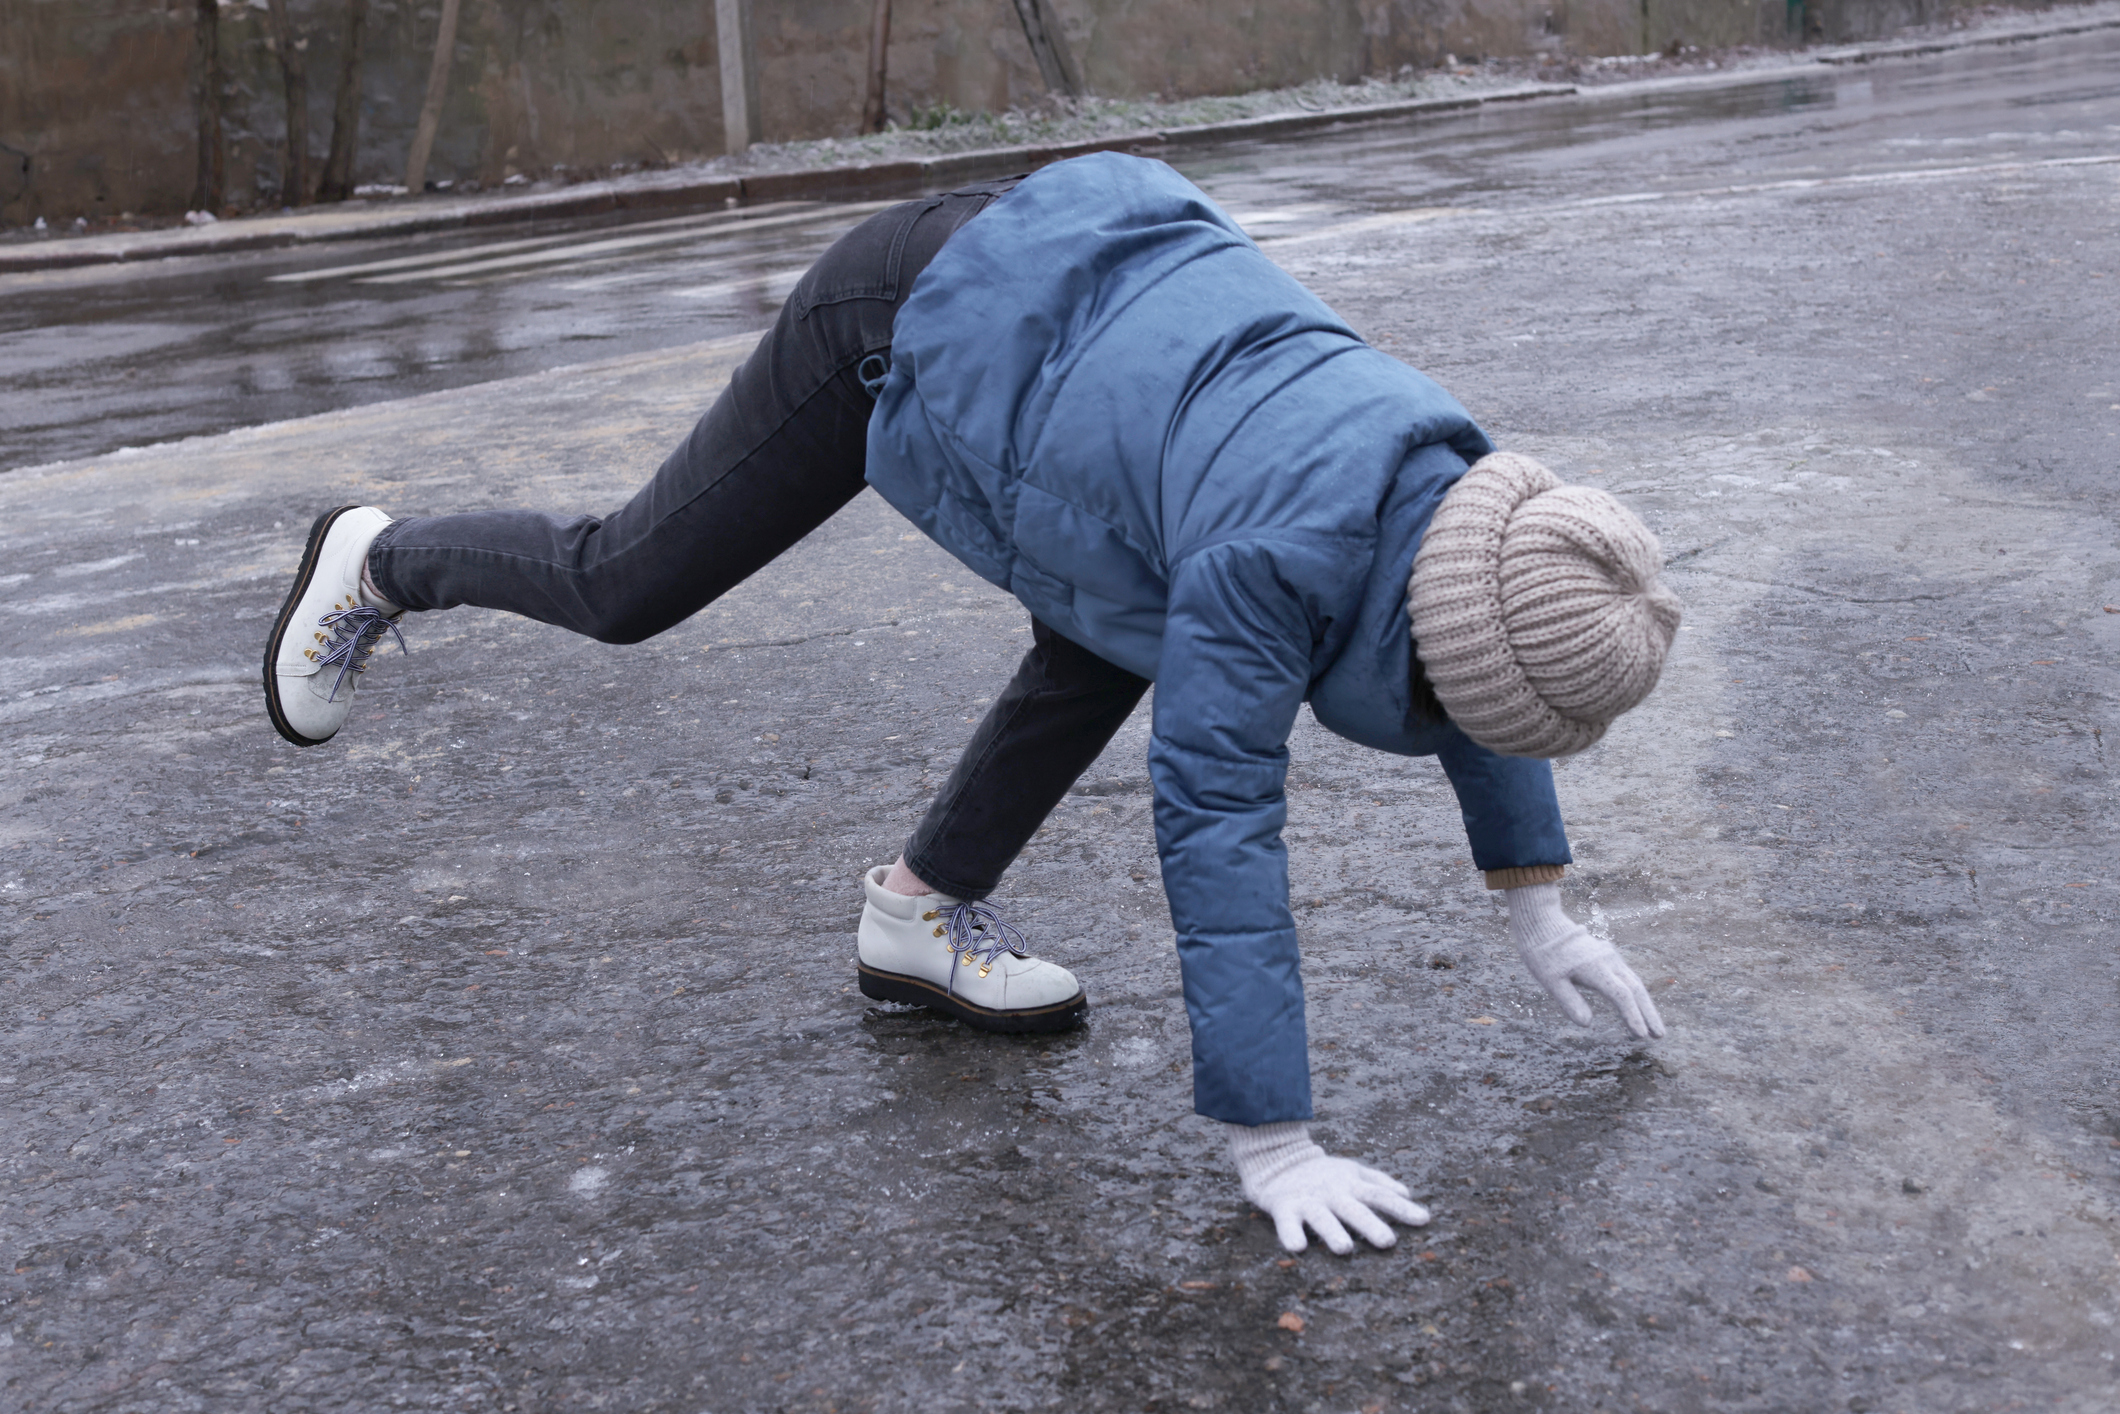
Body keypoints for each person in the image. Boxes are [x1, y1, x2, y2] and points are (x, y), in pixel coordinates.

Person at [264, 153, 1680, 1256]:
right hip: (911, 318)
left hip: (1070, 308)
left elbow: (1500, 669)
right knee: (631, 578)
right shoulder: (1278, 556)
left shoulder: (1477, 506)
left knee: (1121, 623)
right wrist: (1275, 1139)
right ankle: (382, 558)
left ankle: (917, 910)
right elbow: (1222, 826)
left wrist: (1539, 898)